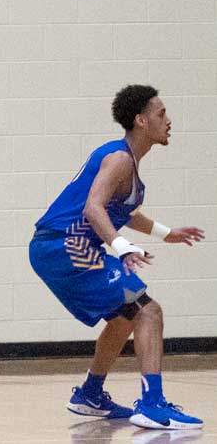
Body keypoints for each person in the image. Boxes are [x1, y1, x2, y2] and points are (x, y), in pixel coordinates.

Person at [29, 84, 204, 430]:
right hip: (65, 245)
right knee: (148, 310)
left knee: (125, 316)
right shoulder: (119, 158)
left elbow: (126, 212)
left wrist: (166, 233)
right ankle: (152, 404)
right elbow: (94, 207)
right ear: (141, 120)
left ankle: (90, 395)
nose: (169, 120)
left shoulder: (130, 168)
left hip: (58, 247)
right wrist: (122, 246)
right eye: (161, 113)